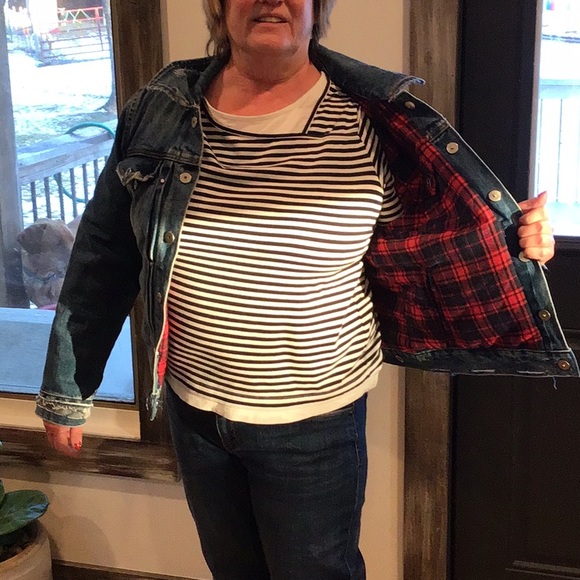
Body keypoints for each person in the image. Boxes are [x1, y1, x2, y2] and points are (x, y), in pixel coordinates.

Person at [36, 1, 577, 578]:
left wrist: (514, 239)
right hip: (194, 413)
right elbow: (105, 252)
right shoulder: (159, 109)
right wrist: (70, 384)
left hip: (314, 427)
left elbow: (438, 241)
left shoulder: (371, 121)